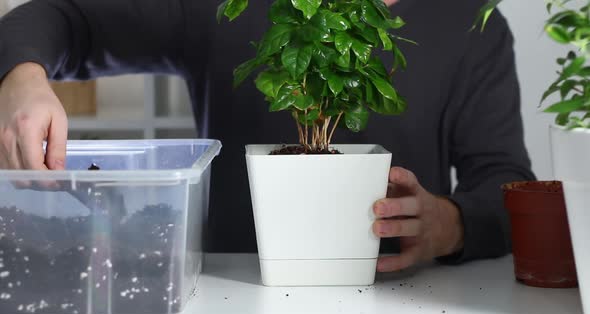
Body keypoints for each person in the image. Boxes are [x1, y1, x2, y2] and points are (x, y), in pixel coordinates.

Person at [0, 0, 535, 273]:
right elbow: (64, 17)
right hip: (227, 298)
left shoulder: (472, 22)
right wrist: (20, 76)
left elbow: (506, 181)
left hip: (408, 301)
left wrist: (451, 224)